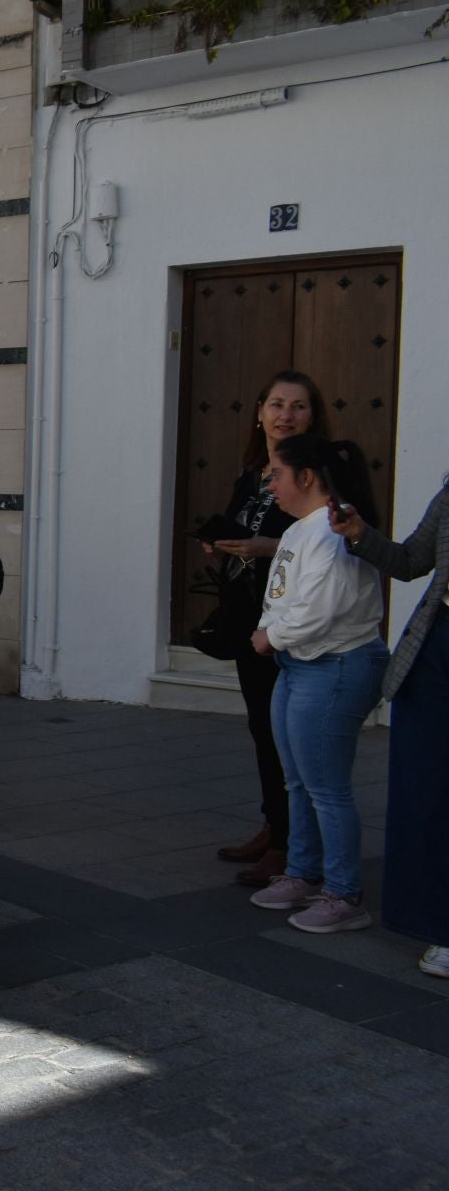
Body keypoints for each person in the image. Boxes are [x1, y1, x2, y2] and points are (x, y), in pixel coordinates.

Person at [246, 434, 387, 935]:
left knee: (327, 789)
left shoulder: (332, 529)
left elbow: (318, 609)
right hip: (299, 666)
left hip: (335, 667)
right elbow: (284, 594)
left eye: (276, 475)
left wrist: (271, 637)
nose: (271, 484)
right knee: (299, 781)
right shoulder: (299, 530)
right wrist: (272, 633)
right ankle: (302, 874)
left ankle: (345, 894)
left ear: (306, 477)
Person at [206, 373, 330, 885]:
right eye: (276, 404)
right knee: (262, 727)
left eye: (298, 406)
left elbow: (327, 541)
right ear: (259, 412)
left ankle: (291, 844)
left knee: (288, 737)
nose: (286, 415)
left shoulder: (321, 470)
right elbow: (246, 527)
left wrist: (265, 548)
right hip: (249, 614)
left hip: (291, 620)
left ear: (312, 417)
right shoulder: (253, 472)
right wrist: (220, 542)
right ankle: (274, 827)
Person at [335, 472, 449, 977]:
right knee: (424, 790)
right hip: (436, 653)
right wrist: (359, 533)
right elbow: (411, 561)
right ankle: (437, 926)